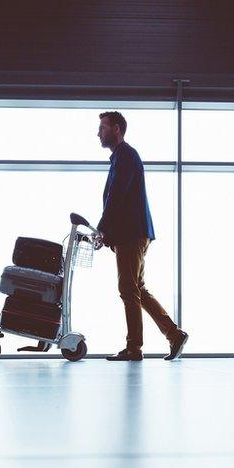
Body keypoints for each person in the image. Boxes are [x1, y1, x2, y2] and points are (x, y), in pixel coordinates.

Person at [95, 111, 188, 361]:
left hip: (130, 233)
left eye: (102, 128)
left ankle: (134, 347)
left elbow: (117, 196)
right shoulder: (121, 157)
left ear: (116, 128)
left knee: (128, 289)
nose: (98, 133)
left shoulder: (125, 155)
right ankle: (174, 334)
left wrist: (102, 229)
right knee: (138, 288)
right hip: (133, 233)